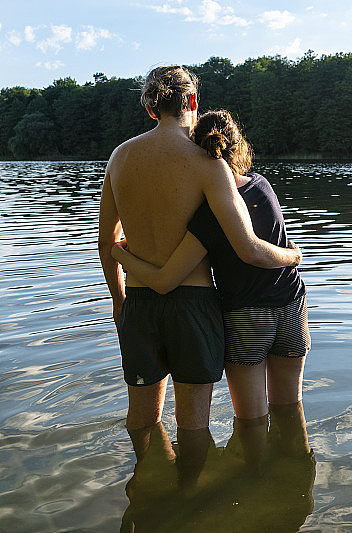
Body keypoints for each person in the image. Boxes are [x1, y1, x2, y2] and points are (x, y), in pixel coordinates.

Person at [97, 66, 302, 470]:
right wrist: (294, 255)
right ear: (192, 102)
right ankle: (191, 499)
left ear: (151, 109)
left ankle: (147, 493)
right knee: (193, 425)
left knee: (141, 419)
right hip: (193, 304)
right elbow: (246, 246)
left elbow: (106, 242)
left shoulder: (119, 157)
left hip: (138, 300)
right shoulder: (209, 164)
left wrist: (119, 300)